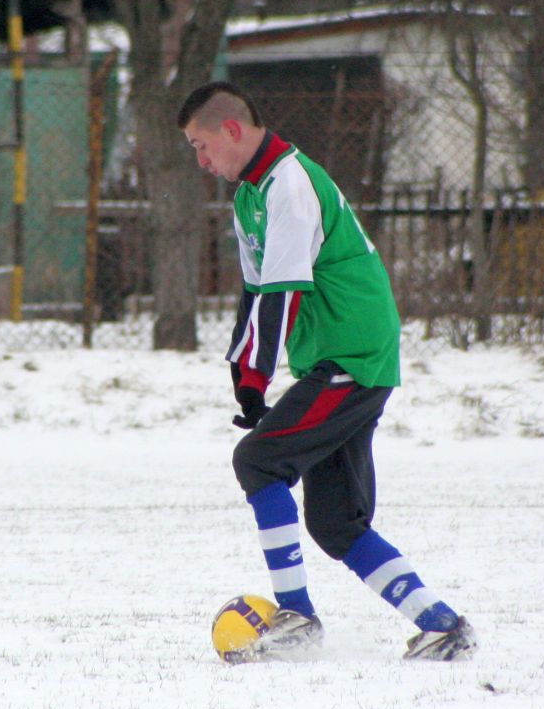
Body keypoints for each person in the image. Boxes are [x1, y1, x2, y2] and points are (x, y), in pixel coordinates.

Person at [177, 81, 475, 662]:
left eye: (200, 145)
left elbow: (283, 291)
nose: (201, 159)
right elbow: (256, 292)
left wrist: (257, 376)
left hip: (353, 357)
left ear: (231, 130)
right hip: (340, 359)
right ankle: (442, 626)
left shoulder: (289, 182)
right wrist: (245, 374)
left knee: (258, 461)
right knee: (337, 523)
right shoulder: (250, 195)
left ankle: (298, 618)